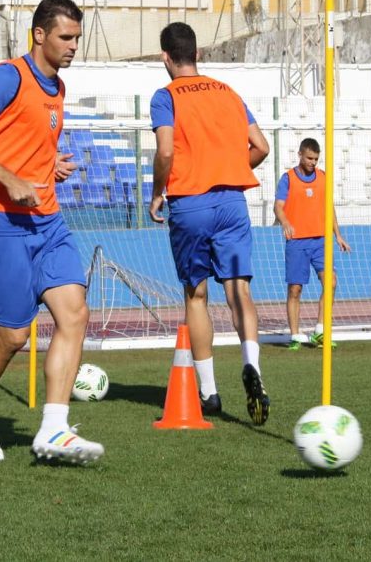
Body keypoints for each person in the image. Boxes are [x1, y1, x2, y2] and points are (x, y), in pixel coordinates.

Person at [0, 0, 103, 464]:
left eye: (78, 37)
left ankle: (53, 429)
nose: (74, 46)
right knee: (14, 336)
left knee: (74, 314)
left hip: (47, 221)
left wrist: (47, 164)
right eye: (66, 37)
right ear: (39, 35)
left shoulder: (57, 88)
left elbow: (23, 141)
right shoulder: (7, 77)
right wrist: (10, 179)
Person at [147, 21, 272, 426]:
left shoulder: (165, 97)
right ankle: (252, 364)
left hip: (191, 204)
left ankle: (209, 392)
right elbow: (261, 147)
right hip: (232, 202)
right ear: (197, 54)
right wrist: (232, 166)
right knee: (240, 290)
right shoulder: (228, 93)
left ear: (166, 57)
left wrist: (157, 192)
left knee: (196, 296)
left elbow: (165, 151)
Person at [274, 138, 351, 351]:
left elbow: (329, 207)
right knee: (295, 289)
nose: (313, 162)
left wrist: (338, 235)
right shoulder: (288, 179)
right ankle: (296, 335)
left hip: (320, 241)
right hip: (297, 242)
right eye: (309, 158)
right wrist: (286, 222)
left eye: (316, 159)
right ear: (300, 154)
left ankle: (319, 330)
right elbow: (278, 207)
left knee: (331, 282)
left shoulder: (323, 177)